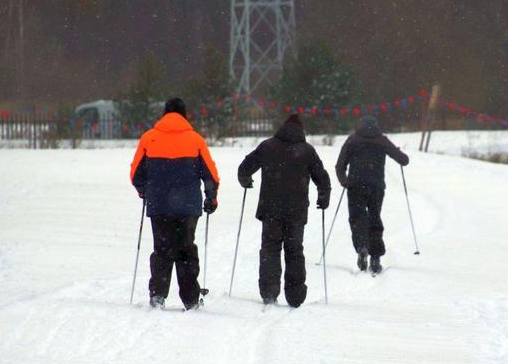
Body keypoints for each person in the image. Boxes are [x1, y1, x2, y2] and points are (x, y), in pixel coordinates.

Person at [130, 97, 220, 310]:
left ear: (164, 114)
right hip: (188, 207)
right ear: (184, 114)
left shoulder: (149, 138)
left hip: (159, 204)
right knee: (186, 250)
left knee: (162, 249)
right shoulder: (196, 140)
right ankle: (190, 299)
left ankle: (158, 295)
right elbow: (210, 175)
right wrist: (211, 197)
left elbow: (136, 174)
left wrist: (144, 191)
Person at [238, 114, 331, 307]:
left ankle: (269, 291)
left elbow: (245, 167)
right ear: (301, 130)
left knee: (270, 249)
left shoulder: (268, 146)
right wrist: (323, 197)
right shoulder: (307, 151)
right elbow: (322, 177)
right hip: (296, 212)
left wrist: (245, 180)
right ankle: (295, 295)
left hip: (270, 209)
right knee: (294, 250)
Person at [335, 116, 409, 275]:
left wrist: (344, 181)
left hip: (355, 186)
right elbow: (403, 160)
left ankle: (362, 247)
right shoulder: (382, 140)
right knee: (374, 218)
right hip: (376, 187)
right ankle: (375, 257)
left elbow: (340, 165)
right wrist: (399, 154)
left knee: (357, 218)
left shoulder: (352, 140)